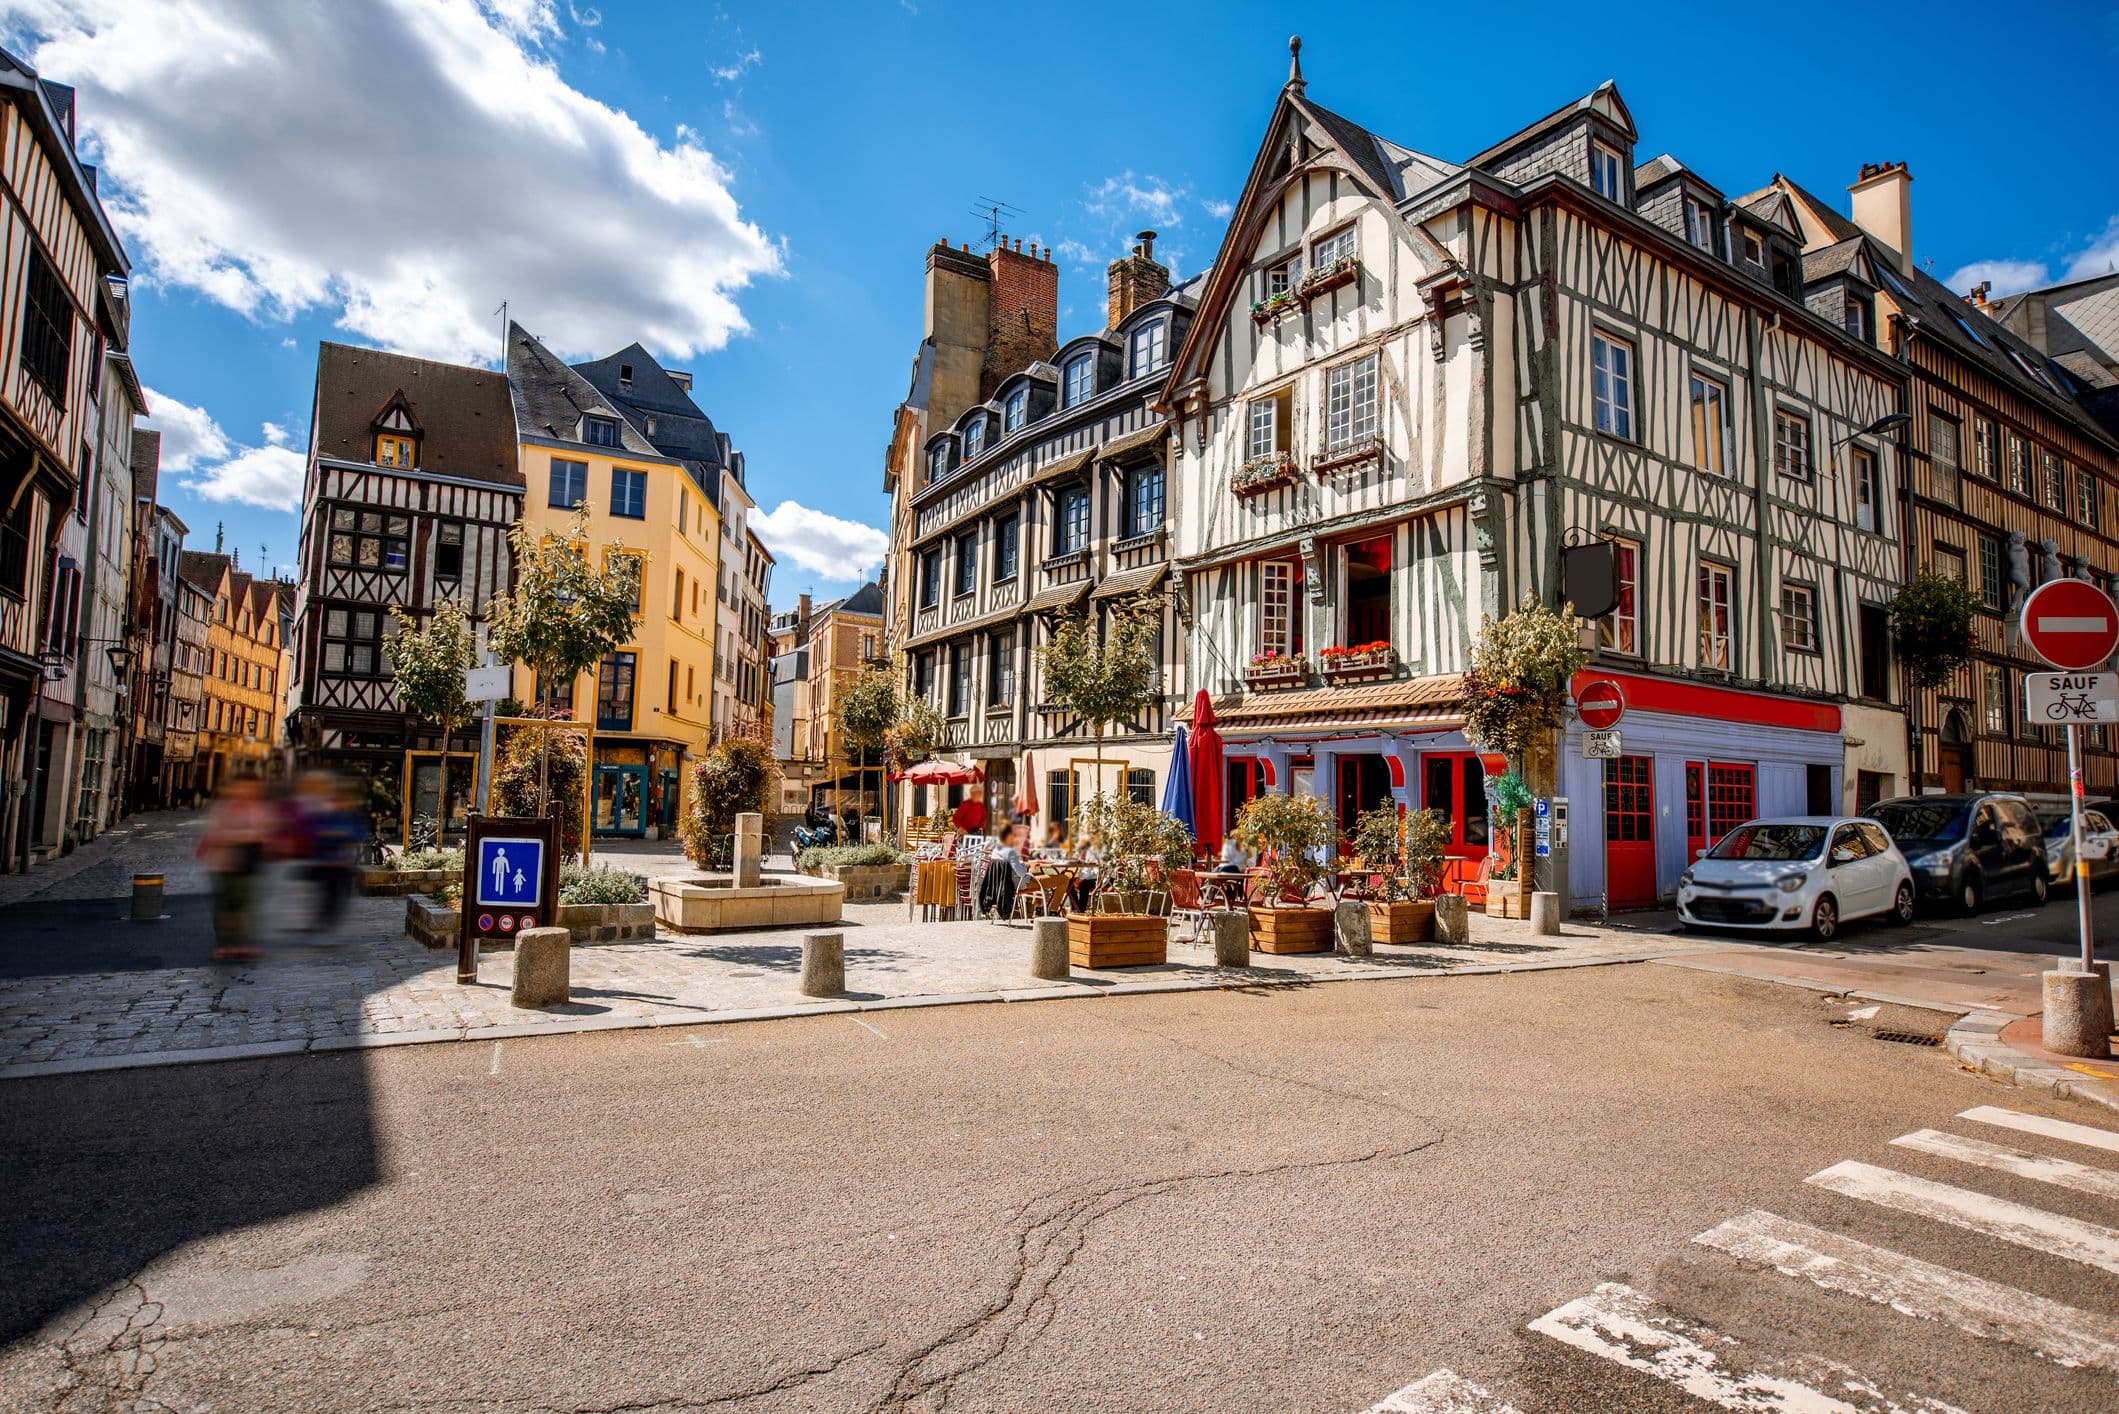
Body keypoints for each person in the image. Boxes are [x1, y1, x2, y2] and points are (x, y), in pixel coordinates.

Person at [197, 775, 275, 960]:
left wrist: (241, 836)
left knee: (246, 903)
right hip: (223, 864)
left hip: (250, 864)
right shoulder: (223, 809)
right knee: (226, 904)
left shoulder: (260, 809)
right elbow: (216, 835)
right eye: (243, 788)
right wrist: (249, 836)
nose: (247, 792)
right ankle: (225, 944)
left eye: (252, 788)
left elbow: (267, 833)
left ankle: (242, 943)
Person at [294, 772, 365, 932]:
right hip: (324, 861)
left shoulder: (350, 816)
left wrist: (341, 835)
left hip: (342, 863)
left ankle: (328, 922)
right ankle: (321, 921)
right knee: (324, 894)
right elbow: (311, 833)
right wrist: (330, 835)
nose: (338, 802)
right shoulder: (322, 814)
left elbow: (359, 834)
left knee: (338, 896)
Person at [978, 822, 1027, 918]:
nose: (1014, 838)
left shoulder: (996, 850)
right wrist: (1025, 866)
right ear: (1008, 836)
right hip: (1013, 884)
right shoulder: (1010, 851)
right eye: (1013, 835)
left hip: (997, 886)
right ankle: (1047, 912)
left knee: (1038, 876)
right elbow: (1021, 873)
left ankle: (1038, 910)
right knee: (1050, 881)